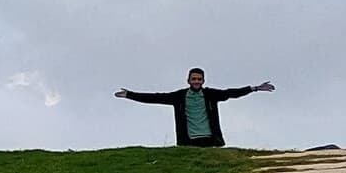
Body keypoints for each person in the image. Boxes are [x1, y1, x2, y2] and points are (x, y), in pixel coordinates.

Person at [114, 68, 275, 147]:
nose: (196, 81)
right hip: (188, 140)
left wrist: (255, 88)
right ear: (188, 81)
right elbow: (154, 97)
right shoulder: (179, 96)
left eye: (199, 79)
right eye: (194, 79)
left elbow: (231, 93)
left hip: (210, 138)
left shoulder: (210, 95)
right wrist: (129, 94)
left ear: (203, 81)